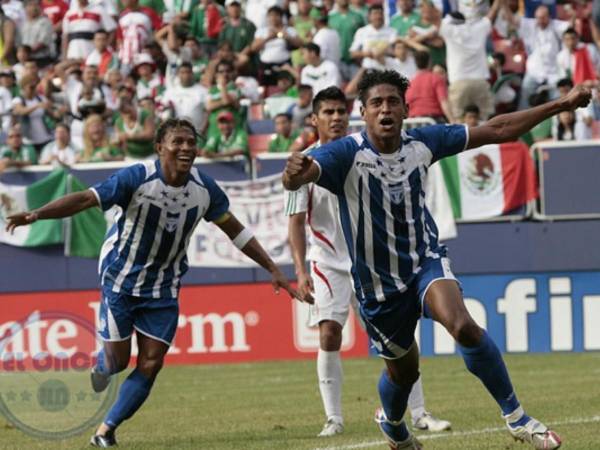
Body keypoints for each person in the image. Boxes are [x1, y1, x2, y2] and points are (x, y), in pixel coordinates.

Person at [283, 69, 591, 449]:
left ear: (406, 109)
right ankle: (392, 422)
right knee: (402, 372)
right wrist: (295, 175)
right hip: (378, 287)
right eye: (376, 103)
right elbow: (306, 174)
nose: (385, 110)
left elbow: (498, 130)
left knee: (462, 325)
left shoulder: (424, 142)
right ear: (362, 112)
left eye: (393, 101)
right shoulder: (344, 153)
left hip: (424, 262)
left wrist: (561, 104)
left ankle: (517, 417)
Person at [5, 118, 303, 448]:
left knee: (151, 362)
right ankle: (102, 365)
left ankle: (106, 430)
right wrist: (35, 215)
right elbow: (86, 199)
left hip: (164, 286)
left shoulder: (205, 190)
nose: (186, 148)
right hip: (121, 279)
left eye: (191, 142)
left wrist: (272, 268)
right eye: (178, 141)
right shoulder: (136, 178)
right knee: (117, 362)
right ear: (159, 147)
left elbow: (234, 229)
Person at [285, 86, 451, 438]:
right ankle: (334, 418)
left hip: (375, 262)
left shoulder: (366, 152)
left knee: (401, 339)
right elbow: (295, 222)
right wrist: (300, 271)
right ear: (314, 119)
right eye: (327, 112)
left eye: (340, 111)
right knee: (330, 333)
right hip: (328, 263)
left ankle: (419, 413)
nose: (336, 118)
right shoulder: (304, 164)